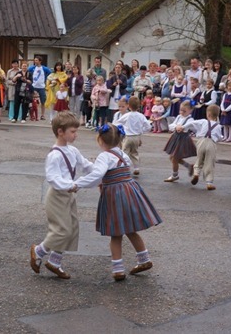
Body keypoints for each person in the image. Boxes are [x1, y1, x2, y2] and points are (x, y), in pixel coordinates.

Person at [71, 124, 161, 281]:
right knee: (131, 229)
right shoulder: (123, 155)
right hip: (130, 192)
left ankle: (118, 269)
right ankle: (144, 259)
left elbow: (97, 175)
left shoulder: (104, 156)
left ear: (100, 140)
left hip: (114, 195)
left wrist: (78, 184)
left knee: (116, 233)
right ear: (120, 139)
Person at [29, 112, 93, 279]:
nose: (76, 135)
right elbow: (52, 177)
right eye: (72, 131)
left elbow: (86, 165)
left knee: (71, 227)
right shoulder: (54, 154)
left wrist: (103, 169)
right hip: (57, 195)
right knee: (61, 230)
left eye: (76, 131)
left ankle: (55, 262)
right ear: (60, 132)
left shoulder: (72, 150)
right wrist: (70, 185)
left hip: (68, 194)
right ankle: (38, 251)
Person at [175, 104, 223, 190]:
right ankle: (209, 182)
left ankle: (196, 173)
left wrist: (183, 127)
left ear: (208, 114)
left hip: (201, 141)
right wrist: (219, 138)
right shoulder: (218, 126)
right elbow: (219, 137)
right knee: (209, 162)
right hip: (211, 143)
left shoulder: (204, 121)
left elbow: (192, 123)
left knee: (199, 159)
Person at [115, 96, 152, 175]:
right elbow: (148, 126)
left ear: (129, 105)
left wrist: (120, 129)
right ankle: (136, 168)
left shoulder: (127, 115)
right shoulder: (141, 116)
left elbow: (118, 122)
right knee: (134, 152)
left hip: (128, 136)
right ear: (138, 106)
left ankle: (123, 168)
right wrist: (142, 131)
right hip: (137, 137)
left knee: (125, 152)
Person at [163, 100, 196, 182]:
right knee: (172, 157)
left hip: (183, 140)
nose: (181, 112)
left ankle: (175, 175)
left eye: (184, 111)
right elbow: (171, 125)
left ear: (190, 110)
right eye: (180, 110)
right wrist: (176, 127)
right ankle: (188, 166)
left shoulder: (190, 119)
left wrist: (182, 127)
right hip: (175, 138)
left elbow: (189, 127)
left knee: (174, 158)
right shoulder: (178, 117)